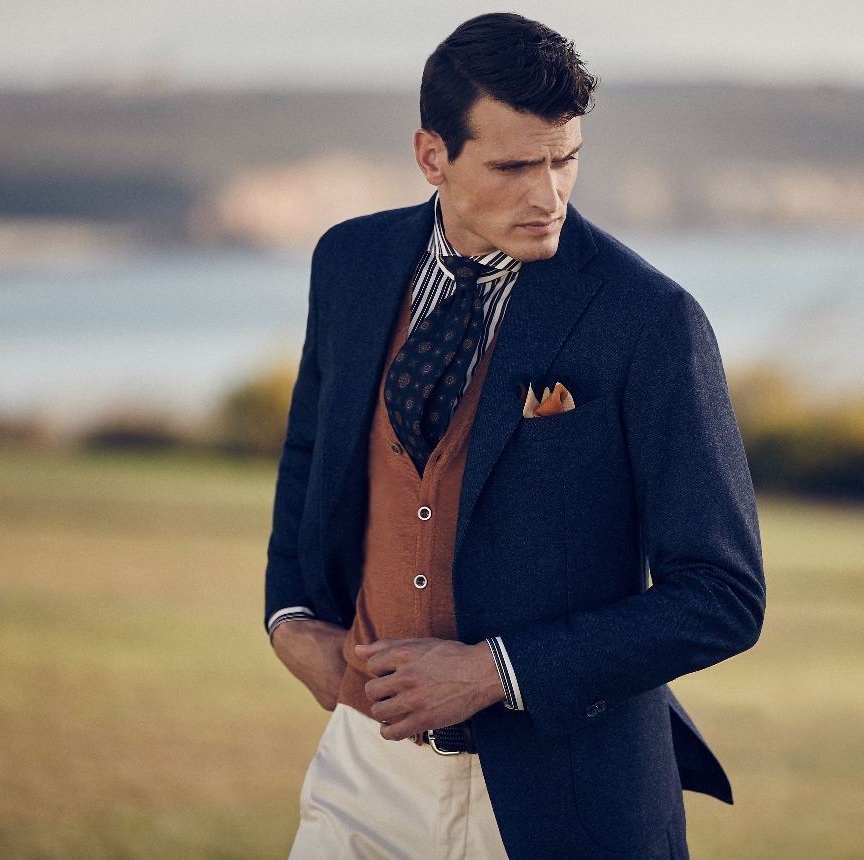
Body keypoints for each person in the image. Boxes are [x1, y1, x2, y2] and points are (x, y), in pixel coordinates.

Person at [265, 13, 765, 860]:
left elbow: (723, 595)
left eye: (564, 159)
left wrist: (491, 671)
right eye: (513, 167)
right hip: (367, 772)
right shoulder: (349, 263)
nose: (548, 196)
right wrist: (287, 617)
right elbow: (311, 455)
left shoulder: (648, 318)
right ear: (432, 156)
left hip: (562, 797)